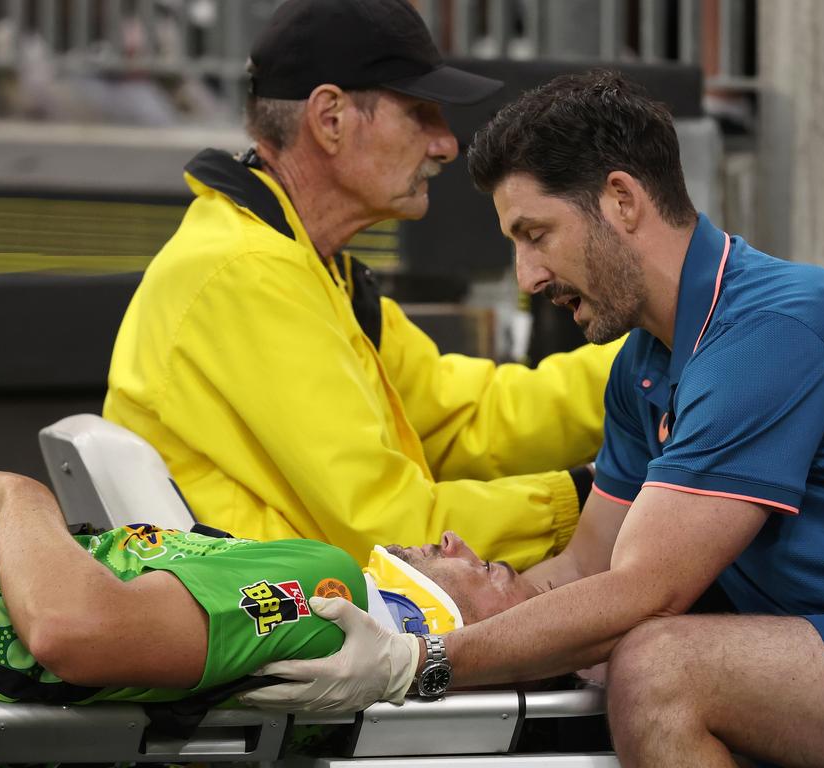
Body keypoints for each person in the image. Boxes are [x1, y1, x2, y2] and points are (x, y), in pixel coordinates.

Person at [245, 70, 824, 768]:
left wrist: (416, 663)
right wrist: (405, 617)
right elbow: (585, 569)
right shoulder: (644, 365)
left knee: (663, 667)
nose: (527, 277)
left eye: (536, 234)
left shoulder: (770, 334)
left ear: (621, 201)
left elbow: (645, 589)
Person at [103, 0, 623, 571]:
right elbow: (392, 532)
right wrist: (590, 497)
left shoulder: (302, 265)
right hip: (284, 639)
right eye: (420, 113)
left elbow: (469, 421)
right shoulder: (249, 272)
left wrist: (645, 363)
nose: (446, 143)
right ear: (330, 118)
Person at [0, 469, 536, 706]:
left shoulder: (332, 590)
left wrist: (20, 497)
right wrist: (3, 533)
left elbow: (75, 630)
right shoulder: (336, 609)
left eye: (493, 572)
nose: (458, 541)